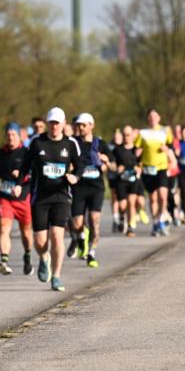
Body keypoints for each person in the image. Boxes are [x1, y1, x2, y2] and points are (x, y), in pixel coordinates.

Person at [17, 107, 81, 292]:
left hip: (61, 196)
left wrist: (75, 177)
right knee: (40, 241)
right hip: (40, 197)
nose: (54, 126)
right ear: (48, 124)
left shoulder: (70, 144)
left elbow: (80, 166)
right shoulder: (37, 143)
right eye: (51, 123)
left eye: (57, 123)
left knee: (57, 236)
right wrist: (19, 183)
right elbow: (25, 166)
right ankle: (44, 259)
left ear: (63, 124)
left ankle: (57, 276)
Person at [0, 123, 33, 276]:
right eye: (8, 135)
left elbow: (33, 174)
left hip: (23, 198)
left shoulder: (26, 153)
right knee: (4, 227)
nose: (11, 138)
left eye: (14, 135)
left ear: (19, 136)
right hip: (5, 197)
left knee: (26, 233)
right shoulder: (1, 152)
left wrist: (21, 175)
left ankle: (27, 256)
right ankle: (4, 260)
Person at [69, 113, 112, 268]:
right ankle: (82, 236)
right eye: (79, 125)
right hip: (79, 187)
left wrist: (106, 161)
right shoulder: (73, 143)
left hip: (96, 187)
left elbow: (113, 166)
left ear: (91, 126)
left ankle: (91, 253)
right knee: (77, 223)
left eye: (84, 125)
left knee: (94, 220)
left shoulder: (100, 143)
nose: (81, 128)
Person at [134, 109, 175, 237]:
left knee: (163, 196)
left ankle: (162, 219)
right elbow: (136, 149)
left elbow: (172, 146)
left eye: (155, 116)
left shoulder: (165, 131)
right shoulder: (143, 133)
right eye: (150, 116)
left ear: (159, 118)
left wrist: (167, 149)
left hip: (162, 167)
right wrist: (137, 158)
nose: (152, 118)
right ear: (148, 119)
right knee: (153, 198)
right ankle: (156, 222)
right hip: (147, 168)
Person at [113, 125, 142, 238]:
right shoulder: (117, 149)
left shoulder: (137, 150)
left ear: (133, 136)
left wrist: (139, 168)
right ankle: (121, 216)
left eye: (128, 135)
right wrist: (116, 168)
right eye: (124, 135)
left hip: (133, 180)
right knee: (123, 205)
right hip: (121, 181)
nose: (126, 137)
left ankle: (130, 227)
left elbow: (142, 163)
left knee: (131, 202)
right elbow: (113, 164)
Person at [107, 129, 123, 233]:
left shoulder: (124, 146)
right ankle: (116, 218)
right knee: (114, 197)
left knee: (122, 199)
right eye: (115, 136)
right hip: (113, 176)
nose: (117, 138)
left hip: (123, 177)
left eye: (119, 136)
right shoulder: (109, 146)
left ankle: (122, 216)